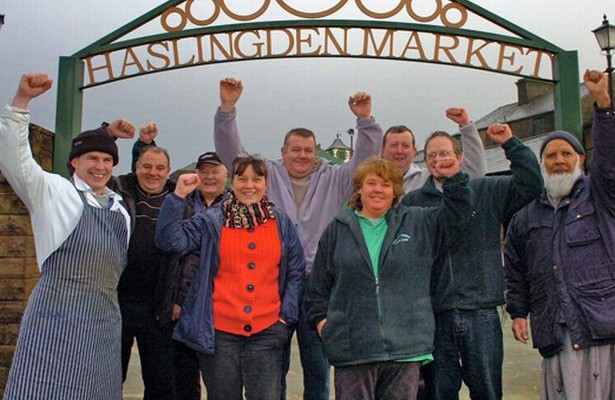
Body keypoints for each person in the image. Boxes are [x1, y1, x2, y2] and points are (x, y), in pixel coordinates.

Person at [214, 78, 383, 399]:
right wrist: (227, 109)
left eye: (308, 150)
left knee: (318, 370)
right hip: (272, 284)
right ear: (283, 151)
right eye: (295, 150)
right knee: (271, 370)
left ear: (315, 150)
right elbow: (230, 153)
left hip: (320, 285)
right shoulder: (267, 175)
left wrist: (365, 121)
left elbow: (365, 158)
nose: (302, 155)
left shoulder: (336, 178)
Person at [0, 73, 134, 399]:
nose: (100, 166)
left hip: (103, 327)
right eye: (92, 158)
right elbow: (15, 160)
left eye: (106, 160)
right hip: (54, 324)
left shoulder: (120, 211)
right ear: (75, 162)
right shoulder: (54, 192)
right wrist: (21, 102)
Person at [306, 157, 473, 400]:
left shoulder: (419, 222)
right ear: (359, 188)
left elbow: (459, 216)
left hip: (405, 349)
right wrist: (323, 322)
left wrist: (455, 179)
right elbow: (318, 287)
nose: (378, 190)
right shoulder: (338, 229)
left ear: (395, 191)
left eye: (385, 184)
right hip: (354, 349)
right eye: (371, 183)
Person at [402, 121, 542, 399]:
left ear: (460, 157)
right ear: (426, 161)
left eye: (445, 153)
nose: (439, 160)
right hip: (435, 313)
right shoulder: (413, 202)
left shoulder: (486, 190)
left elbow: (531, 184)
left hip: (481, 310)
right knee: (440, 392)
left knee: (487, 391)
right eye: (432, 155)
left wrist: (510, 144)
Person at [155, 155, 305, 400]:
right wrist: (177, 197)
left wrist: (285, 317)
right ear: (232, 182)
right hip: (220, 332)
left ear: (266, 183)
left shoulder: (281, 223)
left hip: (267, 330)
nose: (249, 185)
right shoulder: (212, 220)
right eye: (242, 178)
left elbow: (295, 271)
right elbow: (169, 241)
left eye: (257, 179)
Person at [504, 69, 615, 400]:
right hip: (555, 328)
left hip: (600, 324)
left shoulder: (601, 198)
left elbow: (609, 162)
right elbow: (515, 270)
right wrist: (519, 312)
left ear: (580, 159)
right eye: (551, 155)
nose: (559, 161)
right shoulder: (525, 218)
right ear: (543, 164)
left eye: (567, 154)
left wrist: (604, 104)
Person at [113, 126, 179, 399]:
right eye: (147, 166)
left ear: (168, 170)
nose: (153, 173)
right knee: (111, 375)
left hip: (159, 306)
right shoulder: (119, 190)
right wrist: (143, 142)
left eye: (160, 168)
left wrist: (179, 299)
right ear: (136, 167)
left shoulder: (179, 198)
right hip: (117, 302)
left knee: (161, 381)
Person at [381, 107, 486, 193]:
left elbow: (474, 171)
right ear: (382, 150)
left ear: (414, 151)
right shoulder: (369, 180)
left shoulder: (431, 176)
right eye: (394, 145)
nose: (400, 151)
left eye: (405, 146)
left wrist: (466, 125)